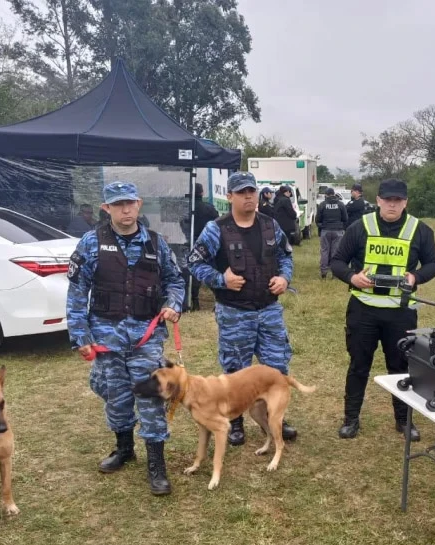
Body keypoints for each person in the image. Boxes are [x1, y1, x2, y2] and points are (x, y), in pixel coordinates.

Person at [66, 181, 185, 494]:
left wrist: (171, 305)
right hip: (107, 336)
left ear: (139, 203)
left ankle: (156, 464)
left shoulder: (157, 244)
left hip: (146, 338)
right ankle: (124, 448)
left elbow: (176, 282)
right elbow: (77, 293)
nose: (126, 209)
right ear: (106, 208)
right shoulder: (90, 244)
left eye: (130, 203)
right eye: (118, 204)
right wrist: (81, 336)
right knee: (116, 397)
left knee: (150, 400)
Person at [187, 171, 297, 446]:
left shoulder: (271, 225)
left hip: (269, 310)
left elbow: (286, 257)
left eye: (252, 191)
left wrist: (284, 278)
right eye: (241, 192)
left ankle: (275, 418)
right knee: (236, 369)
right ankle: (235, 421)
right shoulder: (216, 229)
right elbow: (194, 263)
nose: (248, 196)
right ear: (230, 196)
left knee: (277, 367)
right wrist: (220, 279)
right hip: (235, 312)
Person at [330, 178, 435, 442]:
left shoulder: (420, 230)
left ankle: (404, 421)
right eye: (387, 199)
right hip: (363, 309)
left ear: (405, 202)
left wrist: (415, 277)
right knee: (358, 365)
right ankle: (351, 419)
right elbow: (337, 261)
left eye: (398, 200)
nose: (392, 204)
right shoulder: (360, 227)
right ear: (378, 200)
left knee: (401, 367)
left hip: (400, 312)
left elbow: (433, 264)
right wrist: (352, 277)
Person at [180, 182, 220, 312]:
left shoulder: (185, 208)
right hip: (207, 245)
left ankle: (193, 301)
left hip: (189, 241)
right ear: (202, 193)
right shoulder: (209, 208)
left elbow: (181, 223)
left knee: (189, 271)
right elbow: (217, 225)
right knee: (211, 270)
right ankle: (218, 300)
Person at [315, 187, 348, 279]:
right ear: (334, 194)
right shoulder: (340, 204)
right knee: (335, 252)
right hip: (338, 230)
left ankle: (324, 272)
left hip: (325, 230)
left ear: (326, 195)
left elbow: (317, 219)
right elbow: (345, 218)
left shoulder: (322, 204)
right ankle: (335, 273)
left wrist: (321, 226)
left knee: (324, 251)